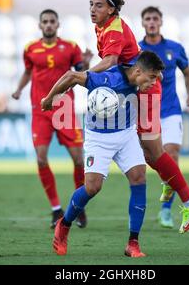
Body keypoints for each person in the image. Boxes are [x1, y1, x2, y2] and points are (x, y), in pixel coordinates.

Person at [87, 0, 189, 233]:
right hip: (139, 91)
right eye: (91, 4)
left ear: (111, 9)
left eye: (97, 5)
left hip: (147, 91)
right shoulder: (104, 27)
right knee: (150, 153)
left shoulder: (115, 29)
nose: (92, 9)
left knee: (154, 152)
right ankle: (181, 192)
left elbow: (109, 62)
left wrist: (81, 77)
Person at [41, 51, 164, 257]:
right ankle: (64, 225)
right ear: (138, 71)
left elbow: (154, 72)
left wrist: (155, 72)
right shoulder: (108, 79)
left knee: (139, 178)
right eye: (151, 78)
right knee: (92, 187)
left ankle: (133, 243)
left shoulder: (139, 74)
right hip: (99, 138)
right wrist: (49, 99)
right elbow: (71, 76)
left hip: (126, 134)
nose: (153, 82)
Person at [12, 9, 92, 229]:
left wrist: (85, 63)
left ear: (58, 25)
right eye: (45, 22)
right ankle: (56, 209)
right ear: (40, 26)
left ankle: (79, 207)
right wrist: (18, 89)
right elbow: (28, 72)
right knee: (40, 159)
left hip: (64, 108)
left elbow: (79, 72)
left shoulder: (71, 47)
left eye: (52, 22)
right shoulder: (30, 49)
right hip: (40, 110)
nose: (48, 25)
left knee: (78, 159)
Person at [139, 6, 189, 228]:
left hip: (171, 110)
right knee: (153, 158)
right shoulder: (137, 49)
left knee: (171, 155)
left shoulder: (175, 48)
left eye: (155, 18)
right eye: (148, 19)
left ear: (161, 22)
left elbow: (188, 73)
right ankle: (168, 180)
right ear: (143, 23)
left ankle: (166, 210)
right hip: (147, 112)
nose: (152, 22)